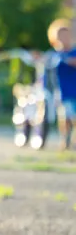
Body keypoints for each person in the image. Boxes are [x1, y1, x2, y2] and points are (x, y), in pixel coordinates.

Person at [47, 19, 76, 150]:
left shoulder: (73, 52)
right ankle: (65, 140)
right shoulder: (53, 54)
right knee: (65, 117)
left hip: (74, 88)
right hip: (62, 90)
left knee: (73, 117)